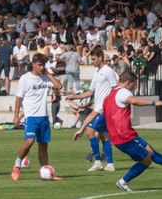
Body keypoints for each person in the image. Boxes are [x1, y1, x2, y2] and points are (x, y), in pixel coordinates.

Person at [103, 70, 162, 192]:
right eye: (133, 85)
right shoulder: (123, 92)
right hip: (124, 135)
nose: (134, 88)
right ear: (128, 83)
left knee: (150, 150)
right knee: (146, 160)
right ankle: (123, 181)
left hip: (120, 135)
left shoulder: (109, 96)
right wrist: (154, 102)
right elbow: (133, 100)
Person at [10, 53, 62, 181]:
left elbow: (58, 86)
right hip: (31, 116)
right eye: (39, 65)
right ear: (33, 64)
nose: (41, 67)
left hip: (43, 116)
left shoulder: (45, 78)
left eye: (43, 65)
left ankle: (45, 171)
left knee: (43, 145)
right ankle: (17, 165)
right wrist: (16, 116)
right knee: (29, 141)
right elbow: (18, 98)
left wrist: (48, 74)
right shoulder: (25, 78)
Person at [68, 47, 118, 172]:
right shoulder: (96, 72)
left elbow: (115, 89)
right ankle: (110, 164)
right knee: (103, 135)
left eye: (94, 59)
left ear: (101, 58)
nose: (92, 61)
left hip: (104, 108)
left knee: (90, 131)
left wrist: (110, 106)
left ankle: (97, 162)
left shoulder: (109, 71)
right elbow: (90, 92)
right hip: (98, 106)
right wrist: (75, 96)